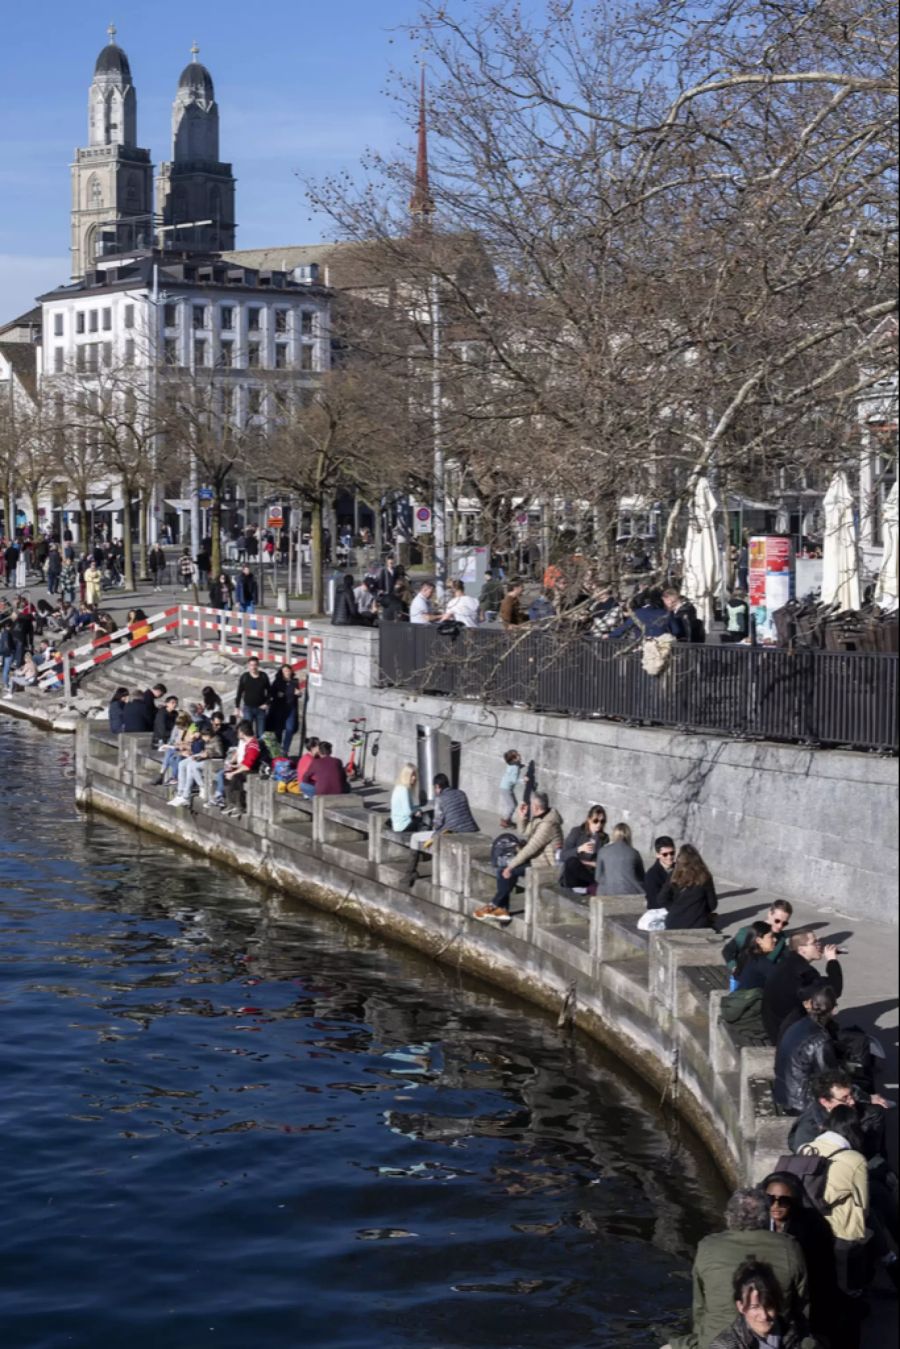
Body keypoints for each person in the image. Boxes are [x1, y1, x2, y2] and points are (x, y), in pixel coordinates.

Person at [662, 1189, 811, 1349]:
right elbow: (802, 1306)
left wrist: (701, 1339)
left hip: (712, 1339)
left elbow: (700, 1307)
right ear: (766, 1218)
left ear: (729, 1217)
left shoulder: (709, 1246)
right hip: (772, 1337)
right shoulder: (789, 1247)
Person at [473, 791, 563, 924]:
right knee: (502, 870)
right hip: (536, 859)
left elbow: (530, 848)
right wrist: (522, 817)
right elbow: (524, 832)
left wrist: (511, 866)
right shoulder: (541, 817)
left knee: (508, 871)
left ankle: (494, 906)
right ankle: (502, 910)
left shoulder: (547, 824)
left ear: (536, 807)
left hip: (546, 865)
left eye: (531, 805)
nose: (530, 807)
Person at [707, 1260, 817, 1349]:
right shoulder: (724, 1346)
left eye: (769, 1306)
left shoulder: (796, 1337)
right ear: (740, 1306)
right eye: (755, 1307)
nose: (764, 1316)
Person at [762, 931, 844, 1045]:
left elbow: (817, 985)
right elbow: (834, 991)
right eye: (814, 942)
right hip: (786, 1034)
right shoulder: (803, 970)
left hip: (774, 1025)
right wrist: (832, 961)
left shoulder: (788, 962)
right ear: (802, 949)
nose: (819, 945)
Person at [774, 985, 841, 1114]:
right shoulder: (820, 1040)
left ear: (810, 1004)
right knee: (873, 1114)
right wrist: (865, 1097)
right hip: (801, 1103)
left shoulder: (798, 1024)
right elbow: (830, 1078)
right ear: (833, 1010)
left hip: (784, 1093)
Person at [403, 773, 479, 887]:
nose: (435, 790)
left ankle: (410, 873)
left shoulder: (440, 799)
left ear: (438, 786)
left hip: (451, 832)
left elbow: (438, 823)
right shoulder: (461, 793)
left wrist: (432, 826)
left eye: (435, 788)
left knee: (415, 837)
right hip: (470, 829)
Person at [659, 844, 718, 930]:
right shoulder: (705, 877)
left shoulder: (674, 876)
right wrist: (700, 910)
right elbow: (713, 904)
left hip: (673, 923)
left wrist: (676, 908)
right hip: (697, 924)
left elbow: (662, 899)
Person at [724, 902, 793, 975]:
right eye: (777, 921)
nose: (780, 926)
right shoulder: (747, 932)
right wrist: (734, 967)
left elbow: (780, 958)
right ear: (770, 914)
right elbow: (727, 951)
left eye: (785, 923)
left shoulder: (781, 937)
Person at [169, 725, 225, 808]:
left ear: (208, 735)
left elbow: (220, 753)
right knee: (182, 764)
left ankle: (193, 791)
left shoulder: (216, 740)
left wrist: (207, 754)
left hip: (212, 761)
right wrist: (198, 756)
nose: (203, 738)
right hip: (204, 757)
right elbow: (202, 750)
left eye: (204, 736)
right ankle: (180, 792)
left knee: (191, 766)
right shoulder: (206, 741)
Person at [559, 804, 609, 892]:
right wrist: (579, 849)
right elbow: (563, 856)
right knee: (572, 862)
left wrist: (587, 863)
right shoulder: (577, 832)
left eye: (602, 821)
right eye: (595, 821)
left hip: (590, 876)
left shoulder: (604, 838)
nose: (599, 824)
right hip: (573, 875)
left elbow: (601, 863)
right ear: (589, 820)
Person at [608, 587, 687, 640]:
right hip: (661, 650)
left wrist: (610, 636)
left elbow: (623, 628)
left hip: (641, 647)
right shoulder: (667, 614)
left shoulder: (639, 612)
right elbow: (676, 631)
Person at [222, 720, 261, 817]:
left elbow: (247, 766)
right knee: (226, 773)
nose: (237, 734)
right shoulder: (248, 744)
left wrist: (233, 773)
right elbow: (244, 763)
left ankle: (240, 806)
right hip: (248, 768)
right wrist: (233, 767)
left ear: (242, 733)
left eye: (238, 732)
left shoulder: (253, 746)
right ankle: (230, 802)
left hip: (254, 770)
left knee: (236, 777)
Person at [594, 821, 645, 896]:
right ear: (629, 835)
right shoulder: (634, 853)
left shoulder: (603, 851)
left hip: (607, 894)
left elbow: (597, 877)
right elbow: (642, 877)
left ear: (614, 834)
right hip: (631, 893)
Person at [733, 923, 779, 991]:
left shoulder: (745, 954)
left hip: (741, 996)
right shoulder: (762, 962)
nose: (775, 940)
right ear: (759, 940)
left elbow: (736, 976)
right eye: (771, 937)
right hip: (754, 999)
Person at [236, 656, 271, 740]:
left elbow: (270, 692)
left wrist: (267, 703)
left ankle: (260, 751)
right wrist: (237, 707)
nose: (253, 667)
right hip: (248, 708)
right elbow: (239, 693)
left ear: (258, 665)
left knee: (261, 733)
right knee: (247, 731)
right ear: (248, 666)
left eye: (255, 665)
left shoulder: (263, 676)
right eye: (251, 665)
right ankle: (248, 750)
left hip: (261, 708)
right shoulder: (245, 677)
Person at [268, 663, 300, 752]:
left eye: (288, 671)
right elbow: (272, 692)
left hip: (291, 708)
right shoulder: (278, 682)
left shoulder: (294, 682)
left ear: (291, 671)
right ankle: (277, 750)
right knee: (278, 730)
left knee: (289, 729)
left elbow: (297, 694)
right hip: (279, 708)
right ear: (281, 672)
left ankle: (285, 750)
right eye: (284, 671)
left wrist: (298, 693)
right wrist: (277, 694)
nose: (287, 673)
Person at [643, 836, 677, 907]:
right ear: (658, 855)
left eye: (672, 853)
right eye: (665, 854)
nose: (669, 857)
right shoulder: (652, 875)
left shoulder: (680, 869)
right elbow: (655, 903)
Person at [391, 763, 423, 833]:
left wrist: (417, 809)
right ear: (406, 776)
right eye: (412, 775)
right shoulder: (403, 790)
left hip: (398, 825)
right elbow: (407, 812)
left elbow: (410, 807)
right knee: (424, 823)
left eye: (415, 775)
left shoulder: (399, 787)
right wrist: (417, 811)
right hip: (403, 826)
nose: (414, 778)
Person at [498, 749, 523, 828]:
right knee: (512, 805)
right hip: (507, 788)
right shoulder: (515, 767)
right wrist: (524, 780)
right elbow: (514, 780)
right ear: (514, 759)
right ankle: (505, 821)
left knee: (512, 804)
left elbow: (512, 771)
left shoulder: (511, 764)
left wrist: (520, 766)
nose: (520, 756)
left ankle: (507, 820)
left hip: (504, 786)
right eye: (518, 755)